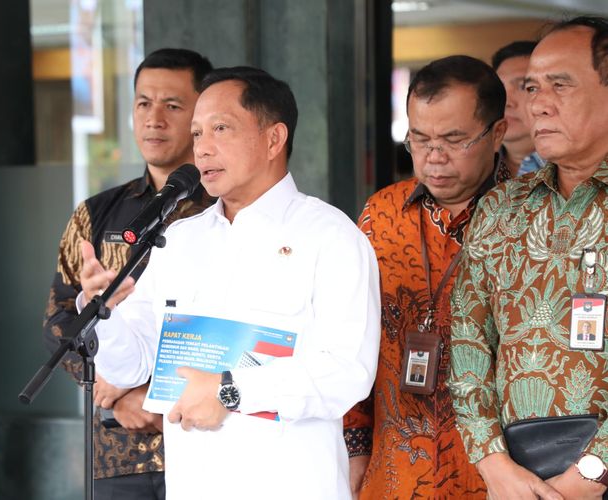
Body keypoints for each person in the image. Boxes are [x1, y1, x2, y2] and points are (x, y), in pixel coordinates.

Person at [78, 66, 381, 499]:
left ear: (274, 139)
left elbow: (347, 372)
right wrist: (102, 312)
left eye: (221, 128)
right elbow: (131, 366)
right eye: (198, 134)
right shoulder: (179, 239)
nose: (203, 149)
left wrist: (229, 390)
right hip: (196, 484)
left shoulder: (331, 236)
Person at [43, 48, 214, 499]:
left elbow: (230, 327)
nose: (154, 118)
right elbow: (61, 322)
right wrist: (116, 393)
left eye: (172, 105)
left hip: (210, 447)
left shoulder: (226, 211)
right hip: (120, 453)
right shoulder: (96, 214)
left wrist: (152, 394)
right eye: (143, 103)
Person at [450, 15, 608, 500]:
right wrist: (493, 464)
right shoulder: (502, 207)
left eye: (560, 85)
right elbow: (468, 341)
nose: (538, 104)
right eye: (531, 88)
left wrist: (592, 472)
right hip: (514, 481)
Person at [343, 55, 510, 499]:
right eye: (419, 139)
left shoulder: (526, 216)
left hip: (495, 471)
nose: (434, 157)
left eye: (454, 140)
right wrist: (354, 446)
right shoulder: (381, 214)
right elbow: (352, 335)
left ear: (497, 133)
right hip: (393, 467)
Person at [492, 40, 547, 176]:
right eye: (498, 88)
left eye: (524, 86)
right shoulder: (473, 165)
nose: (505, 102)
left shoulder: (581, 170)